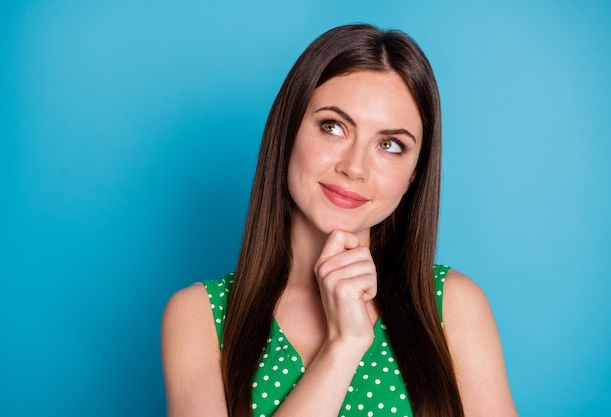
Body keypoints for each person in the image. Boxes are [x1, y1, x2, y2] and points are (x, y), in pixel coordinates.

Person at [161, 23, 518, 417]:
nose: (354, 167)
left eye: (390, 145)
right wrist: (344, 346)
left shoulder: (453, 305)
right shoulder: (200, 316)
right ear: (287, 132)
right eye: (333, 127)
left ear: (414, 175)